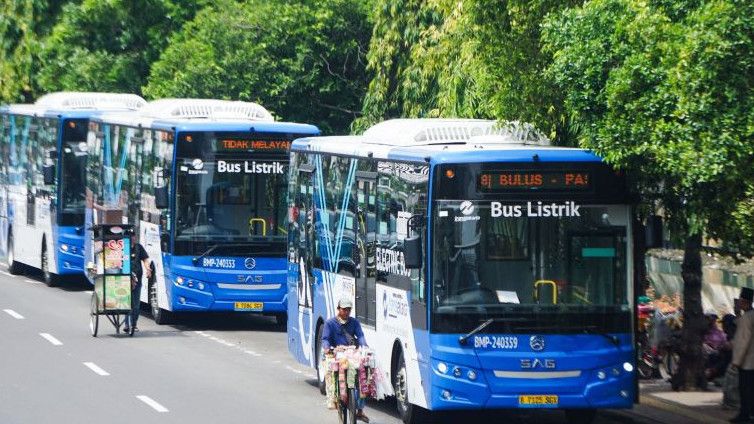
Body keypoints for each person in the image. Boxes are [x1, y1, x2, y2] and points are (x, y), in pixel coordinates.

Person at [321, 298, 369, 423]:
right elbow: (325, 339)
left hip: (352, 354)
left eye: (348, 309)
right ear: (338, 309)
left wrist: (364, 347)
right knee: (333, 377)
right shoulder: (330, 323)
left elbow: (361, 336)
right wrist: (327, 348)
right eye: (344, 309)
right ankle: (335, 399)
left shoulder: (354, 322)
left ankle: (360, 410)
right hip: (336, 354)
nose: (346, 312)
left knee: (363, 378)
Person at [730, 287, 754, 423]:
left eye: (739, 300)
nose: (737, 302)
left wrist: (736, 361)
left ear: (744, 301)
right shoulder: (750, 316)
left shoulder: (746, 318)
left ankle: (744, 415)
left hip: (747, 361)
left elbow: (742, 341)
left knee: (745, 389)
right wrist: (738, 314)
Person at [124, 234, 150, 333]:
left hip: (137, 280)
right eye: (130, 236)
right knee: (126, 302)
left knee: (136, 304)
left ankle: (134, 324)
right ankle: (126, 325)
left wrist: (148, 268)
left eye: (134, 236)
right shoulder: (123, 247)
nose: (132, 238)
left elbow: (145, 259)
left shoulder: (139, 247)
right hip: (125, 279)